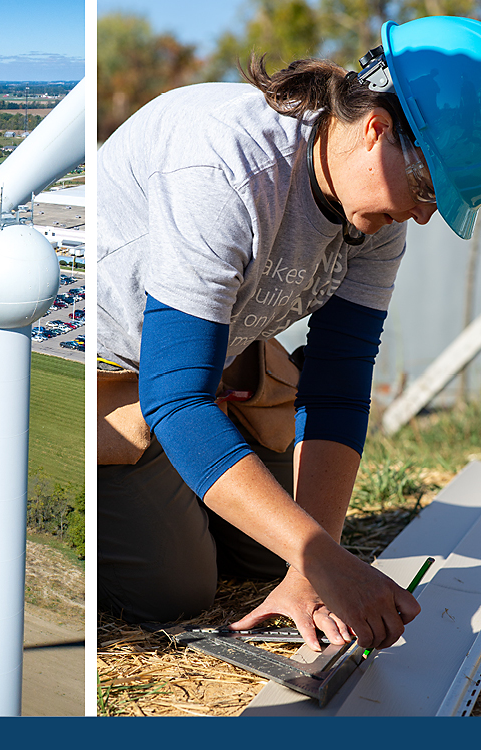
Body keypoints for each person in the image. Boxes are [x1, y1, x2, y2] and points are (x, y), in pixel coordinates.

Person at [96, 15, 481, 652]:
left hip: (218, 363)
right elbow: (175, 398)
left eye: (438, 203)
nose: (420, 212)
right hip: (120, 376)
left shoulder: (377, 216)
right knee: (179, 589)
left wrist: (311, 566)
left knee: (282, 549)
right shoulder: (223, 165)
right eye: (427, 187)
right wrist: (327, 561)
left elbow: (337, 387)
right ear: (375, 129)